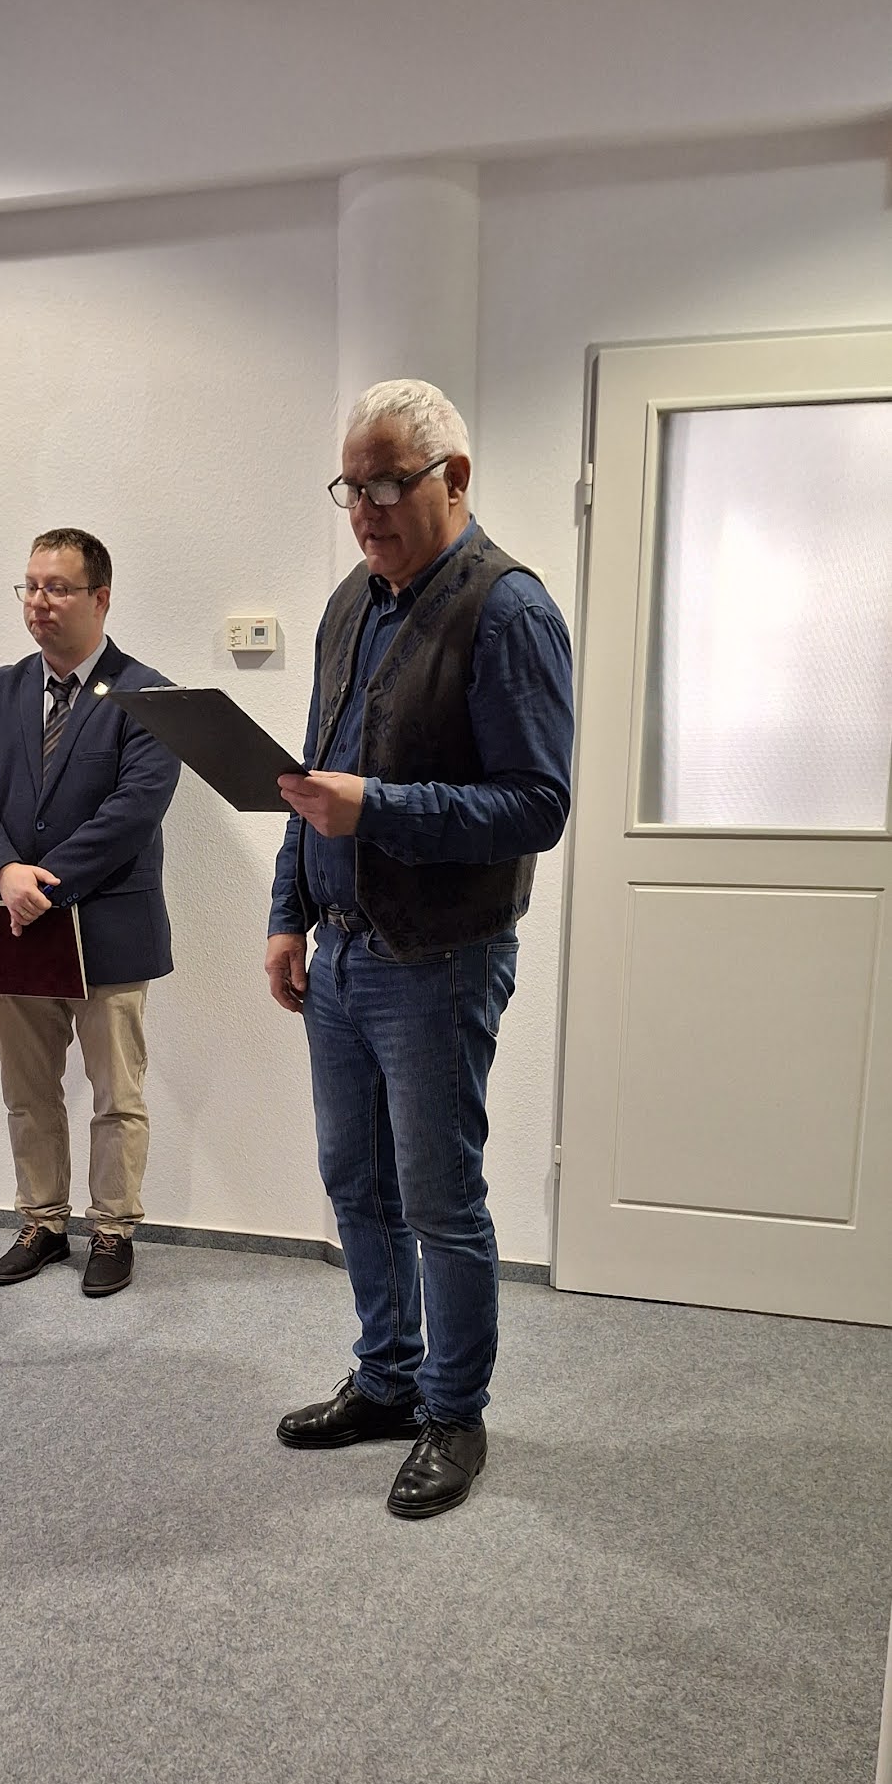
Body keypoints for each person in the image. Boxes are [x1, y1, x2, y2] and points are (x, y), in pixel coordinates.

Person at [266, 379, 575, 1521]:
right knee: (355, 1183)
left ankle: (453, 1411)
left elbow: (536, 804)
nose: (366, 509)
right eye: (351, 487)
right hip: (342, 953)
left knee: (440, 1200)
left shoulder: (509, 611)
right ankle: (387, 1378)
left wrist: (378, 808)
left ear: (455, 477)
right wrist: (286, 912)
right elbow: (309, 778)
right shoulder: (349, 602)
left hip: (439, 960)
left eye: (389, 484)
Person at [0, 527, 180, 1300]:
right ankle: (42, 1223)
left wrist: (44, 883)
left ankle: (113, 1230)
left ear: (100, 598)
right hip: (15, 930)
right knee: (28, 1090)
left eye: (57, 588)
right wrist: (4, 871)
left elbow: (135, 808)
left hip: (107, 926)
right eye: (30, 586)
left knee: (118, 1096)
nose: (39, 602)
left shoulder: (149, 695)